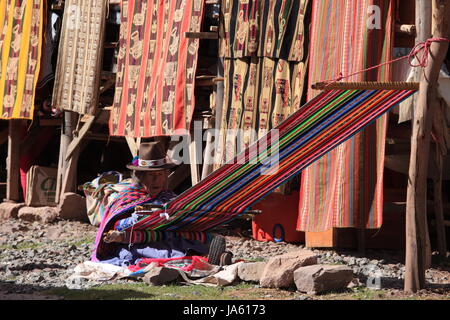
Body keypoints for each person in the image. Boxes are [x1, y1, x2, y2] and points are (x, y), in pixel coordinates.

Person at [92, 141, 231, 267]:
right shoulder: (128, 197)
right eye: (152, 176)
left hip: (171, 236)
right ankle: (203, 260)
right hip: (139, 241)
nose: (157, 181)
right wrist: (135, 219)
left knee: (190, 242)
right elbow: (116, 225)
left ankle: (207, 257)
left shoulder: (168, 196)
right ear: (141, 178)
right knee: (161, 253)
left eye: (160, 175)